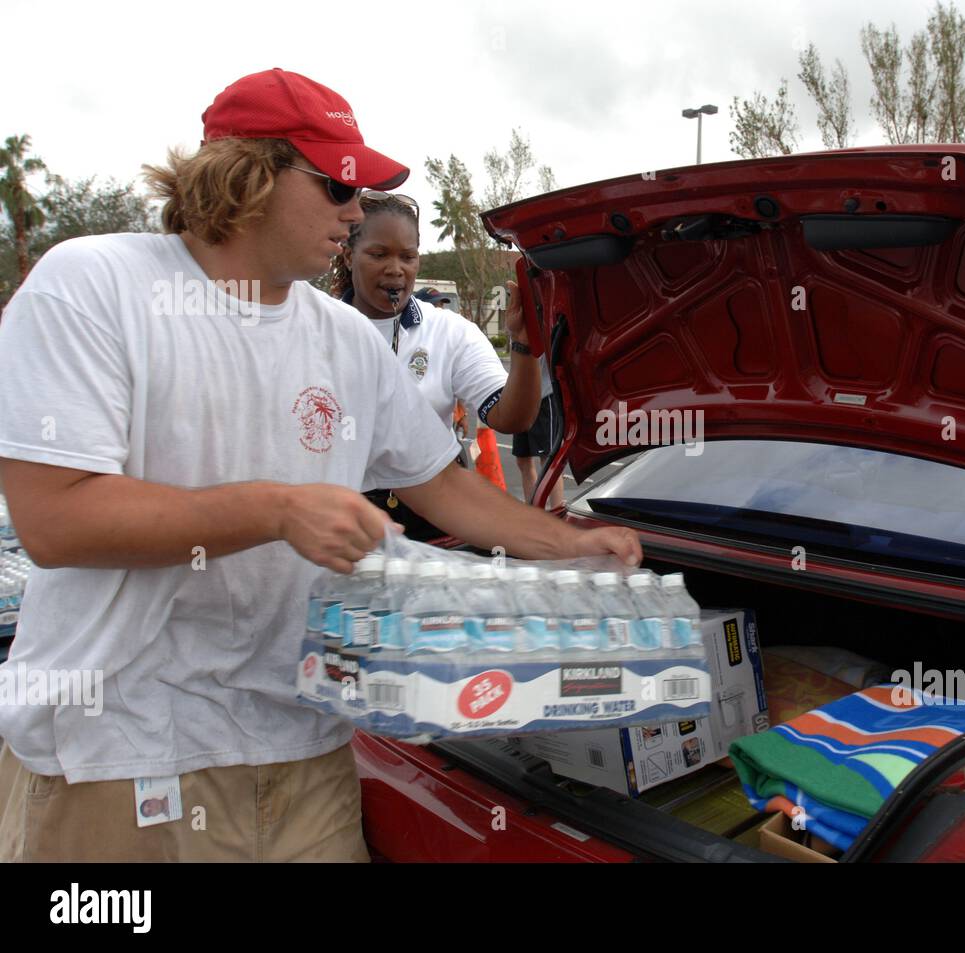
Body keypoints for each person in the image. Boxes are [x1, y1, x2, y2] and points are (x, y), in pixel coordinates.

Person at [0, 68, 639, 863]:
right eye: (338, 187)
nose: (355, 211)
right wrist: (276, 509)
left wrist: (566, 542)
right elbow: (56, 519)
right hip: (122, 754)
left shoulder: (341, 337)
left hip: (306, 751)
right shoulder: (92, 286)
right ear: (244, 176)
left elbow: (439, 481)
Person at [329, 192, 536, 533]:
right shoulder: (319, 326)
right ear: (349, 256)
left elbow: (510, 417)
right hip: (341, 516)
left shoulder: (451, 331)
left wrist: (524, 345)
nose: (395, 269)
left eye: (407, 257)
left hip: (434, 513)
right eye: (378, 254)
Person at [513, 353, 566, 509]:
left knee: (548, 459)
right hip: (521, 399)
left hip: (543, 396)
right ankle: (534, 511)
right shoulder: (516, 331)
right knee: (522, 459)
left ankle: (557, 512)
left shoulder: (540, 328)